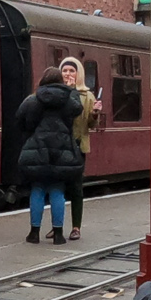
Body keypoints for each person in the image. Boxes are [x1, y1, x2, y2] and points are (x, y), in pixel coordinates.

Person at [15, 66, 83, 246]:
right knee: (57, 191)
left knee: (37, 190)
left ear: (43, 80)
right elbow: (78, 109)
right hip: (62, 151)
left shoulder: (33, 99)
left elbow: (19, 118)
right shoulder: (68, 100)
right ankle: (58, 234)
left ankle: (34, 233)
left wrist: (30, 134)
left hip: (37, 149)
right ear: (60, 80)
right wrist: (72, 90)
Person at [58, 56, 100, 240]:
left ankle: (76, 227)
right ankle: (57, 226)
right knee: (57, 188)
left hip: (78, 145)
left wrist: (95, 114)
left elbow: (90, 125)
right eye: (64, 71)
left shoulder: (87, 96)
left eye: (72, 71)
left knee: (76, 188)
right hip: (58, 146)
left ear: (78, 74)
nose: (68, 74)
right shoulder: (55, 93)